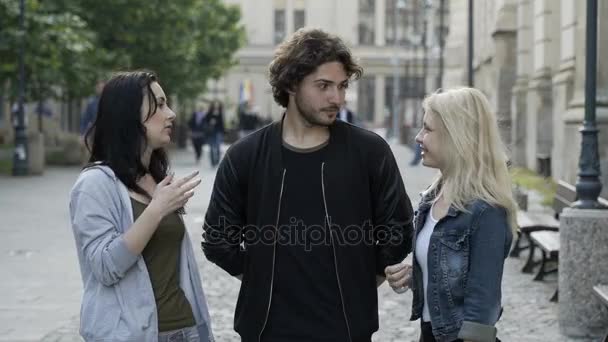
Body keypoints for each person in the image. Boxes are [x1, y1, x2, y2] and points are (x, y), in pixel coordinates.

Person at [202, 28, 414, 342]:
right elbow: (218, 239)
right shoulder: (245, 156)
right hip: (266, 331)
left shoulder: (369, 152)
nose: (337, 98)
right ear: (290, 84)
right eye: (323, 86)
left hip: (344, 329)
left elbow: (398, 227)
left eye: (341, 86)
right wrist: (261, 279)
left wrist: (363, 283)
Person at [69, 71, 214, 342]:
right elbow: (105, 267)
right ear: (128, 116)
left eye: (166, 103)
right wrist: (157, 209)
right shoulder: (95, 184)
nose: (170, 114)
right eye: (159, 105)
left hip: (185, 330)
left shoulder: (158, 179)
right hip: (131, 334)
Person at [384, 87, 517, 342]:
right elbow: (452, 267)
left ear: (457, 137)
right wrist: (416, 274)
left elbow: (483, 302)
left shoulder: (485, 210)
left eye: (428, 129)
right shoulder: (432, 197)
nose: (418, 137)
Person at [203, 100, 225, 167]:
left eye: (217, 105)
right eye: (215, 105)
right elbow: (205, 121)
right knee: (212, 147)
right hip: (211, 132)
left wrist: (223, 131)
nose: (216, 106)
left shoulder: (220, 113)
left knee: (218, 146)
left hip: (218, 132)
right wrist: (211, 122)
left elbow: (222, 123)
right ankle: (213, 161)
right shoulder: (209, 113)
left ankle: (217, 160)